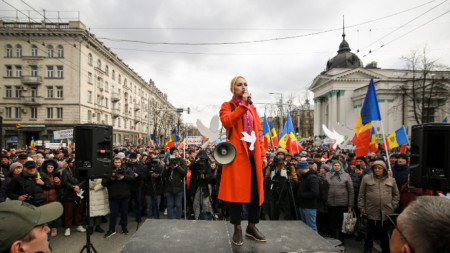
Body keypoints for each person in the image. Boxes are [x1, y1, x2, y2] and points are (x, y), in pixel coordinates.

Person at [219, 76, 267, 246]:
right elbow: (227, 121)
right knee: (236, 195)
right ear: (232, 89)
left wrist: (262, 155)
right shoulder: (227, 106)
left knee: (255, 193)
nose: (243, 87)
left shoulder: (252, 107)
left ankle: (252, 227)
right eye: (239, 85)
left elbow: (259, 133)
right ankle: (237, 228)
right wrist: (242, 106)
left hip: (253, 156)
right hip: (237, 157)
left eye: (245, 84)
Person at [358, 160, 399, 253]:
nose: (377, 170)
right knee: (369, 233)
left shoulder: (391, 179)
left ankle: (386, 250)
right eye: (375, 168)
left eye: (379, 168)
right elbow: (361, 194)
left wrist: (393, 206)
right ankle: (368, 248)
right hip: (370, 211)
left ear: (383, 169)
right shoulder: (367, 178)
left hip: (386, 212)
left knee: (385, 234)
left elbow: (396, 194)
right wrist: (361, 206)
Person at [102, 157, 136, 238]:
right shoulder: (109, 170)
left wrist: (124, 177)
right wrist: (111, 178)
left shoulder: (126, 169)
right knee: (113, 214)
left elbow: (133, 178)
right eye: (116, 162)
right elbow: (103, 183)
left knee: (124, 213)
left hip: (125, 195)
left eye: (119, 162)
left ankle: (124, 228)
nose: (117, 164)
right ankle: (111, 229)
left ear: (121, 162)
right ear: (113, 162)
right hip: (113, 196)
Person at [325, 159, 354, 242]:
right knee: (332, 222)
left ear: (341, 166)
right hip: (330, 203)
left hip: (342, 203)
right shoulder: (328, 175)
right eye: (335, 165)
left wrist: (350, 203)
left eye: (338, 165)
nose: (336, 167)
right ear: (332, 166)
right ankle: (332, 238)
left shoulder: (346, 175)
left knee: (341, 222)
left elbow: (351, 190)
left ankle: (341, 239)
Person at [60, 157, 86, 236]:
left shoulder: (80, 170)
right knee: (68, 211)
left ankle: (79, 224)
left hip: (79, 193)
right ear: (68, 163)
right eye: (72, 162)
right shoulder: (65, 171)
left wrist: (79, 186)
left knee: (79, 210)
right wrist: (73, 187)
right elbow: (64, 182)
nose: (73, 164)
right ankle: (67, 227)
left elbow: (84, 179)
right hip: (69, 194)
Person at [161, 147, 187, 219]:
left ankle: (178, 220)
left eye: (176, 152)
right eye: (173, 152)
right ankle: (170, 220)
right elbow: (163, 175)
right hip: (169, 187)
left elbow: (184, 173)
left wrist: (177, 167)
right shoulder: (168, 162)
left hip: (179, 187)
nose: (175, 153)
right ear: (171, 154)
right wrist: (167, 167)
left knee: (178, 204)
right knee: (170, 205)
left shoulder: (182, 161)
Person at [296, 160, 319, 232]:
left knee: (311, 227)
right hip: (303, 205)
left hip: (309, 206)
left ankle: (315, 242)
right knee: (305, 227)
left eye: (298, 169)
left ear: (302, 168)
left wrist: (301, 194)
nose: (297, 170)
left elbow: (315, 193)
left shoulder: (312, 177)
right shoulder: (304, 176)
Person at [41, 159, 62, 237]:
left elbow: (59, 187)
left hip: (54, 196)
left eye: (51, 167)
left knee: (54, 213)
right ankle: (45, 227)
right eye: (48, 167)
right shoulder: (42, 175)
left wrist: (58, 182)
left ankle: (54, 227)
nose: (50, 168)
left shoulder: (56, 175)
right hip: (44, 196)